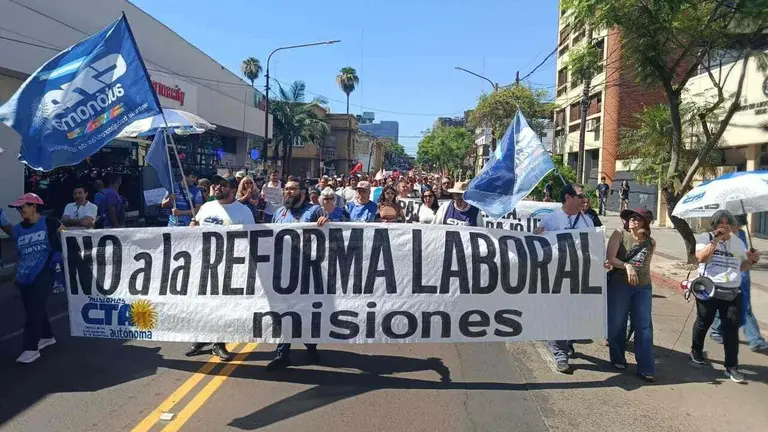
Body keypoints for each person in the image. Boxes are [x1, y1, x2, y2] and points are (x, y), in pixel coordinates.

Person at [185, 175, 255, 361]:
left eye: (222, 185)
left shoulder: (244, 212)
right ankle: (202, 340)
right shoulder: (207, 207)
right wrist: (192, 225)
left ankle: (219, 343)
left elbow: (253, 239)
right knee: (203, 305)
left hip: (228, 269)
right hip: (203, 265)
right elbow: (195, 224)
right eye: (215, 184)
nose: (216, 187)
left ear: (232, 189)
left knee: (223, 308)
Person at [691, 210, 760, 383]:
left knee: (730, 330)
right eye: (720, 223)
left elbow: (741, 266)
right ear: (715, 225)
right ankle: (696, 350)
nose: (724, 226)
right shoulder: (705, 238)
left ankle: (731, 366)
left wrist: (751, 261)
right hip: (709, 289)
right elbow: (701, 258)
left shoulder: (737, 244)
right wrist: (716, 240)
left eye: (727, 223)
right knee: (703, 321)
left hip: (731, 292)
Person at [535, 184, 594, 373]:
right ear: (568, 198)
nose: (584, 199)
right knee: (557, 313)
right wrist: (539, 234)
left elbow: (594, 247)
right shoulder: (551, 219)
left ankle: (566, 342)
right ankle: (560, 354)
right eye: (580, 195)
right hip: (555, 276)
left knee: (573, 314)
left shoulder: (587, 221)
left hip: (578, 276)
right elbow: (536, 242)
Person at [267, 180, 326, 371]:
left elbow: (333, 231)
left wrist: (326, 223)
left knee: (307, 312)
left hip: (309, 271)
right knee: (285, 312)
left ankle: (310, 345)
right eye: (286, 189)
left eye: (292, 189)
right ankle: (282, 354)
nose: (288, 192)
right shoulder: (279, 213)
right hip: (285, 273)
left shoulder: (315, 210)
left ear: (302, 192)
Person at [9, 193, 64, 363]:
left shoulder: (50, 222)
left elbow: (66, 238)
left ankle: (30, 348)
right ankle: (47, 336)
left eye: (23, 207)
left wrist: (58, 255)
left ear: (34, 206)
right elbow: (20, 253)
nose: (20, 210)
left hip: (44, 272)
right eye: (18, 208)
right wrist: (16, 274)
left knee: (34, 311)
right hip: (25, 276)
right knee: (34, 308)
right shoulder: (17, 229)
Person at [606, 208, 656, 382]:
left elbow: (646, 265)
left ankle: (646, 366)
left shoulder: (651, 242)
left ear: (645, 222)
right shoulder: (619, 234)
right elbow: (611, 258)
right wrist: (627, 266)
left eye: (638, 218)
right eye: (631, 217)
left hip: (643, 288)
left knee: (644, 327)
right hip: (620, 285)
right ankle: (618, 357)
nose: (634, 220)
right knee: (617, 323)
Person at [710, 214, 768, 352]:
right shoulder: (722, 236)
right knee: (742, 305)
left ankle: (716, 329)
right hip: (729, 275)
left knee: (737, 304)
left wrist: (750, 255)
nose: (738, 227)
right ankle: (755, 339)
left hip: (742, 274)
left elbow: (742, 256)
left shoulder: (741, 234)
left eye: (740, 224)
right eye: (736, 224)